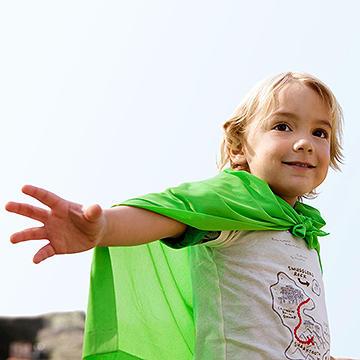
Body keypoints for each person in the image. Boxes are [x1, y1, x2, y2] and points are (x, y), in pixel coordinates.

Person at [6, 72, 355, 360]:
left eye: (319, 133)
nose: (304, 143)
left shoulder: (303, 235)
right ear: (238, 146)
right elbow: (172, 212)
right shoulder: (236, 198)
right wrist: (105, 227)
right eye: (282, 126)